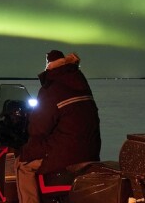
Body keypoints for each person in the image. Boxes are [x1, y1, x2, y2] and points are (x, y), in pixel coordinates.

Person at [15, 50, 101, 203]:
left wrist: (28, 145)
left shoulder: (51, 89)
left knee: (22, 164)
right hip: (90, 151)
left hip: (66, 154)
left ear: (49, 65)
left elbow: (38, 129)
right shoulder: (81, 84)